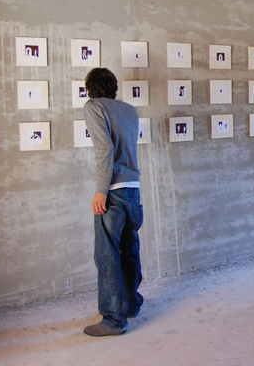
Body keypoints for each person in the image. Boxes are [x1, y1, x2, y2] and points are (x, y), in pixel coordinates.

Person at [83, 68, 143, 337]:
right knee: (129, 250)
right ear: (114, 87)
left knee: (106, 256)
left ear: (90, 88)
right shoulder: (129, 109)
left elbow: (105, 149)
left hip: (113, 191)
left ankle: (113, 320)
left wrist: (100, 190)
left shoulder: (93, 106)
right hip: (133, 190)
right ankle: (131, 304)